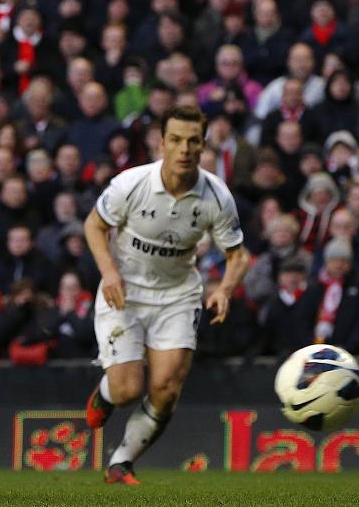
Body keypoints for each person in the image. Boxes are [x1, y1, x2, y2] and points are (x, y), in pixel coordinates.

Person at [82, 105, 249, 485]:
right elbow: (94, 225)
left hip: (177, 295)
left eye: (193, 141)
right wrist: (108, 271)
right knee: (128, 389)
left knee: (166, 387)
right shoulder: (131, 184)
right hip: (124, 290)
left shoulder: (216, 196)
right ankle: (107, 395)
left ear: (203, 145)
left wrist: (225, 289)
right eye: (176, 140)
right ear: (162, 143)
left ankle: (121, 462)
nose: (185, 149)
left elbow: (238, 255)